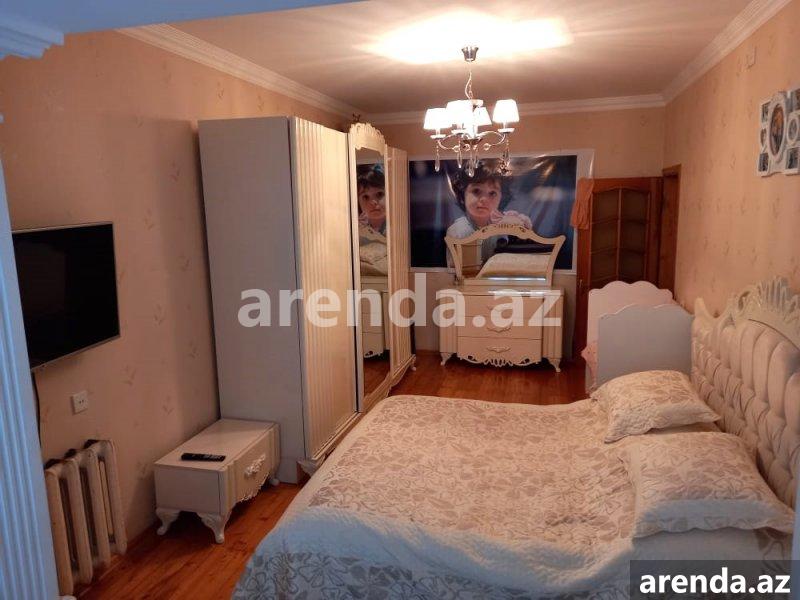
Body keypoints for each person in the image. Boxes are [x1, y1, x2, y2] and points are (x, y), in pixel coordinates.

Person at [446, 161, 531, 239]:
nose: (484, 199)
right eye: (476, 191)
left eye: (492, 193)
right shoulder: (457, 231)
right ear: (463, 193)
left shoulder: (507, 225)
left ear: (502, 197)